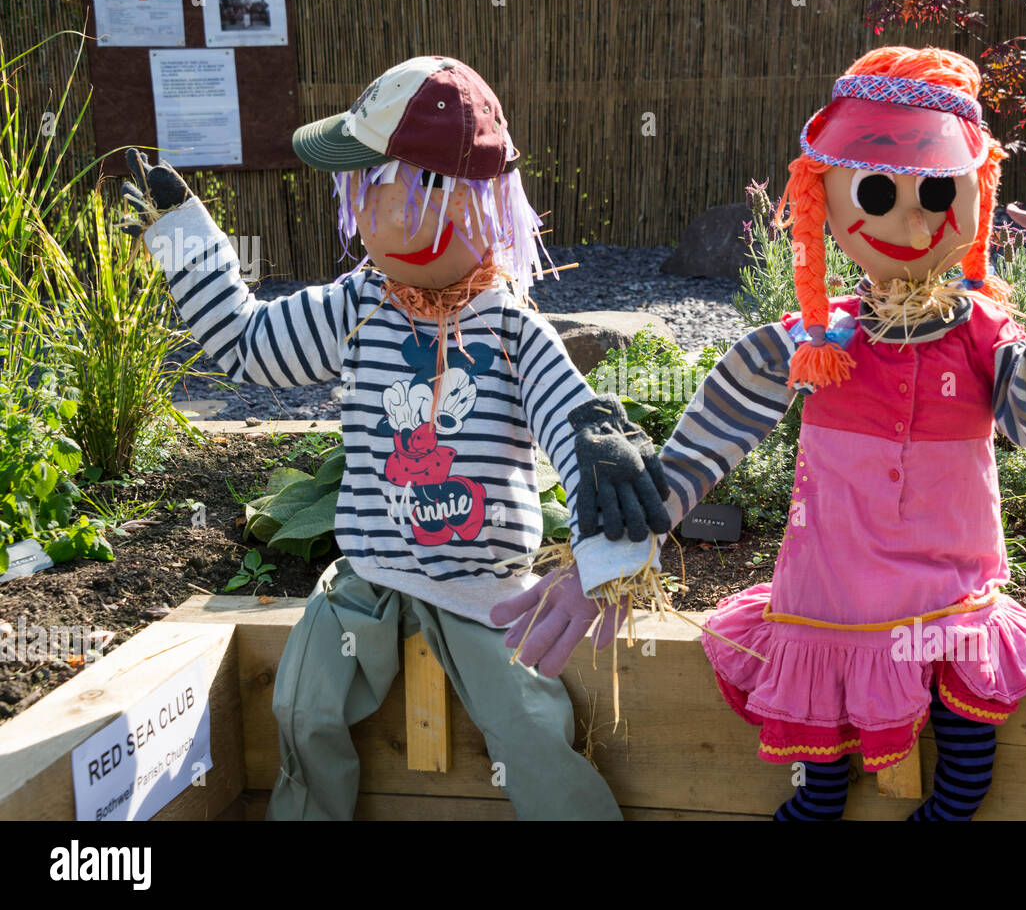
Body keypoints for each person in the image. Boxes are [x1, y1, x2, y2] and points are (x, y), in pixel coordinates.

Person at [502, 45, 1026, 820]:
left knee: (964, 778)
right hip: (829, 609)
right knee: (815, 792)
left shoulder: (982, 333)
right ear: (828, 204)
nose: (911, 215)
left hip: (948, 606)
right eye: (876, 188)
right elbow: (703, 445)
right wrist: (605, 560)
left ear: (975, 193)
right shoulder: (810, 344)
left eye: (938, 186)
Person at [119, 55, 660, 820]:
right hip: (369, 574)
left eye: (423, 187)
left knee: (531, 729)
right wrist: (180, 236)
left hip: (484, 589)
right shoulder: (359, 305)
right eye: (370, 183)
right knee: (303, 708)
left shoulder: (510, 328)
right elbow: (247, 343)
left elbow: (573, 431)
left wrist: (608, 518)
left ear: (485, 201)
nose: (388, 211)